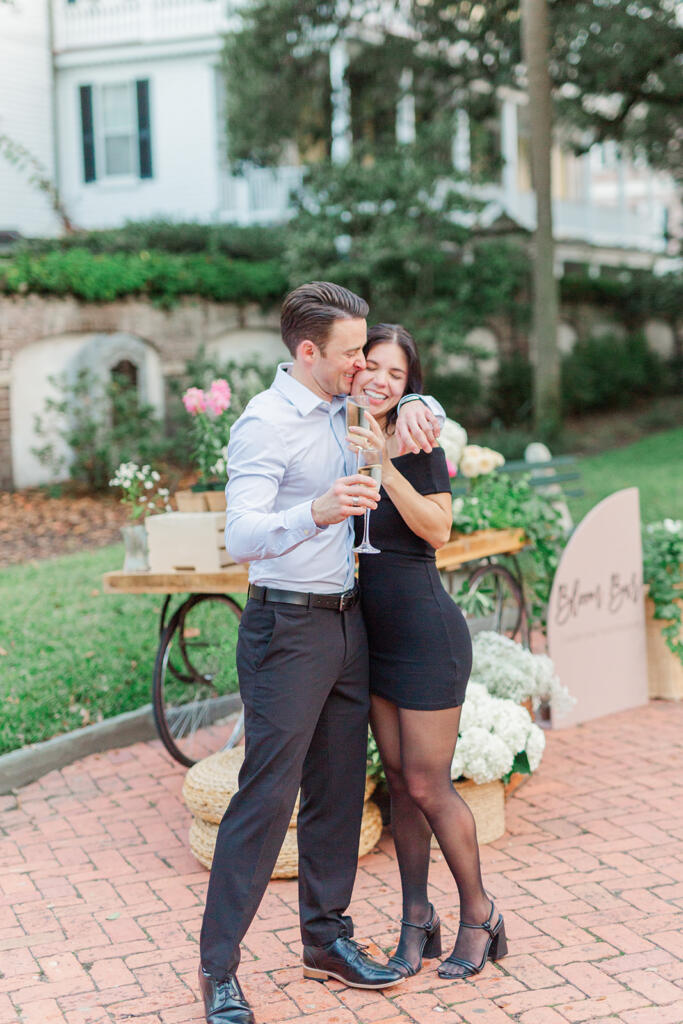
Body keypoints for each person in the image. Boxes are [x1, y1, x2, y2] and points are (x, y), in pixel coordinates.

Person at [198, 283, 444, 1024]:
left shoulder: (349, 406)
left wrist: (431, 409)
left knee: (338, 791)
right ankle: (217, 972)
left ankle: (325, 941)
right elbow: (239, 534)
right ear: (308, 352)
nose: (361, 366)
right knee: (267, 799)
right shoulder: (263, 423)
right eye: (349, 355)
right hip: (286, 630)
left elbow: (407, 411)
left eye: (366, 354)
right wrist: (317, 510)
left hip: (347, 624)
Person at [348, 323, 507, 982]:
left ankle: (480, 915)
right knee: (399, 788)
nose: (383, 382)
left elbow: (438, 529)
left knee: (427, 784)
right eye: (372, 369)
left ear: (410, 384)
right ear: (353, 370)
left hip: (424, 633)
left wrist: (385, 463)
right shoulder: (340, 434)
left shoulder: (416, 439)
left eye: (397, 375)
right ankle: (417, 921)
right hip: (368, 636)